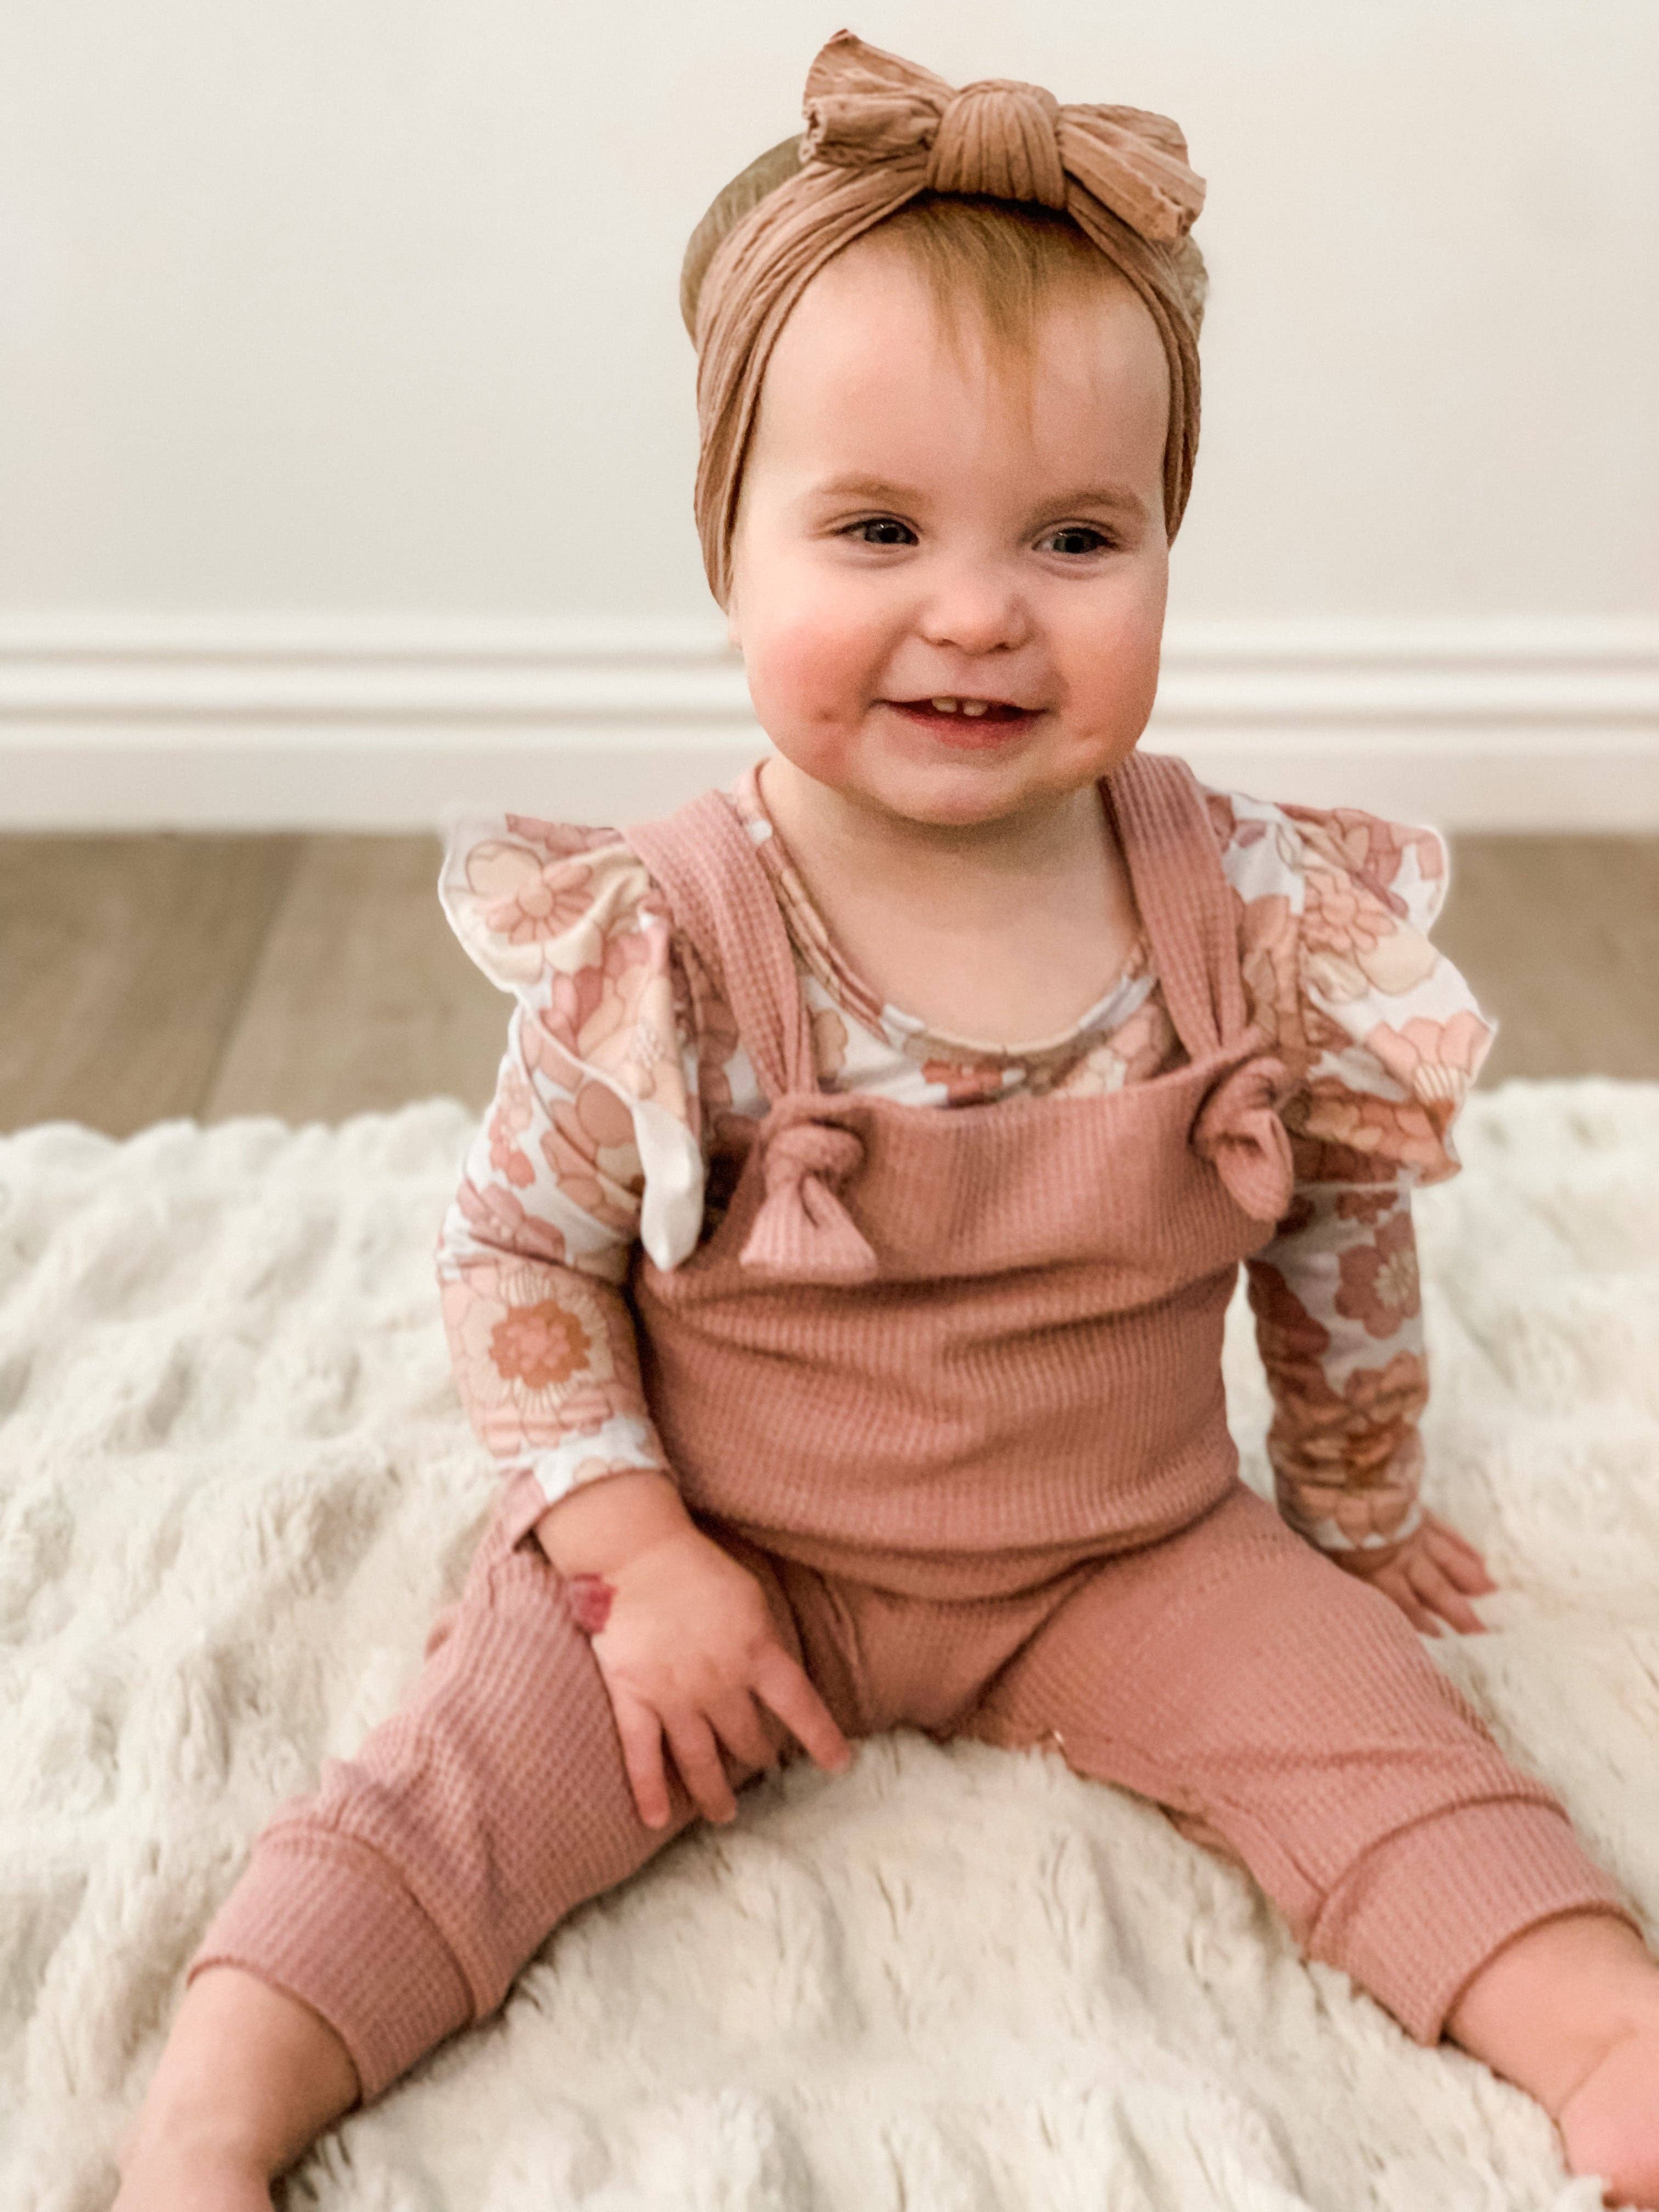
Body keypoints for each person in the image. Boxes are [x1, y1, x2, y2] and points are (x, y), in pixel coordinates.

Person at [114, 31, 1659, 2210]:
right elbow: (518, 1255)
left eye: (1078, 536)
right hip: (733, 1543)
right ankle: (213, 2108)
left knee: (1392, 1747)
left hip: (1130, 1547)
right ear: (727, 548)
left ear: (1168, 545)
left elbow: (1333, 1217)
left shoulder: (1242, 904)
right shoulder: (667, 939)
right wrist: (634, 1557)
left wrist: (1355, 1497)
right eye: (874, 529)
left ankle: (1607, 2040)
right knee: (462, 1787)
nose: (979, 609)